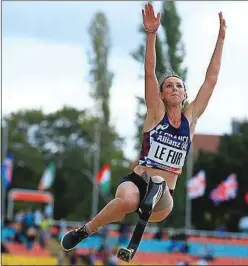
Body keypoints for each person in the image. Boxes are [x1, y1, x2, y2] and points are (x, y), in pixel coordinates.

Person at [61, 2, 226, 251]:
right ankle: (86, 230)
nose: (174, 88)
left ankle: (138, 227)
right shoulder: (155, 114)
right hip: (138, 180)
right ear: (160, 95)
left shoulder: (190, 120)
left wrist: (221, 39)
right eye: (169, 85)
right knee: (127, 200)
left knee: (159, 184)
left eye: (179, 86)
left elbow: (210, 80)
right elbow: (149, 72)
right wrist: (151, 35)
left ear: (185, 95)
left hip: (164, 196)